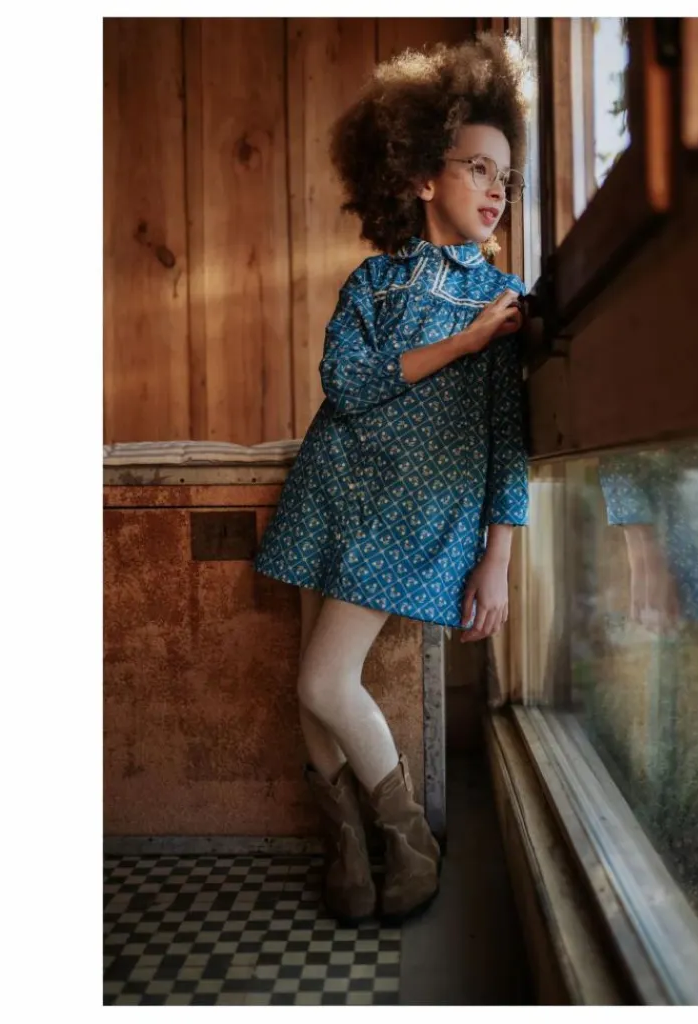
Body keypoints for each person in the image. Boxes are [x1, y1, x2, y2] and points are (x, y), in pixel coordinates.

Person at [254, 35, 531, 926]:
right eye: (477, 168)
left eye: (507, 177)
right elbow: (346, 384)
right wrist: (463, 342)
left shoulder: (506, 301)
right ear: (420, 177)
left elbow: (509, 440)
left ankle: (409, 840)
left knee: (321, 682)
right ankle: (348, 851)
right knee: (315, 675)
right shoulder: (371, 281)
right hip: (329, 488)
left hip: (413, 513)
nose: (496, 189)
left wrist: (498, 559)